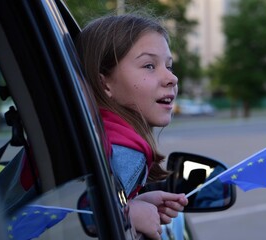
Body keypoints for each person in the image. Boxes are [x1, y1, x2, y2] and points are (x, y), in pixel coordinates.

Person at [75, 12, 188, 239]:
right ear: (104, 83)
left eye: (169, 66)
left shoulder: (91, 133)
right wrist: (126, 214)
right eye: (149, 66)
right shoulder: (125, 150)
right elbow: (81, 219)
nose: (172, 78)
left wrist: (132, 201)